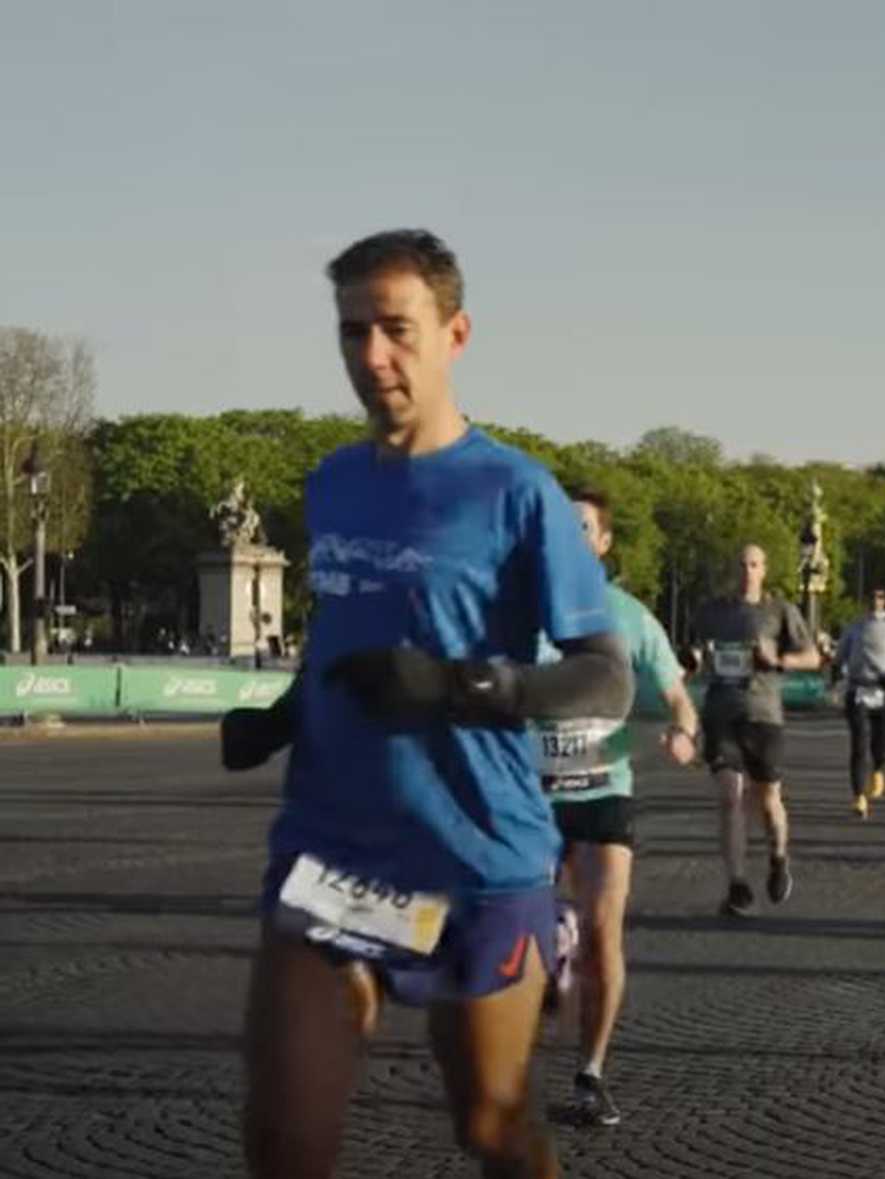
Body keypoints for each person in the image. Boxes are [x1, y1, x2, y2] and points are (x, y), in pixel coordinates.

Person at [221, 229, 633, 1179]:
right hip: (335, 855)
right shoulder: (332, 483)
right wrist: (281, 717)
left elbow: (603, 675)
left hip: (479, 861)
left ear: (455, 333)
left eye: (396, 330)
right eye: (351, 332)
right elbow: (343, 630)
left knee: (493, 1124)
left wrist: (462, 687)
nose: (372, 357)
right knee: (284, 1141)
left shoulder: (517, 490)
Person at [533, 487, 700, 1128]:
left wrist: (684, 731)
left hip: (604, 794)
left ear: (603, 543)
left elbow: (677, 695)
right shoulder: (522, 616)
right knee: (516, 936)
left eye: (583, 528)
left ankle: (590, 1075)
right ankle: (551, 944)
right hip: (530, 799)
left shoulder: (631, 618)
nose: (570, 539)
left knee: (606, 936)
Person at [692, 545, 820, 917]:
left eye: (754, 564)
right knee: (730, 797)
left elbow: (812, 657)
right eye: (741, 564)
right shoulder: (712, 612)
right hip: (720, 712)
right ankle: (737, 886)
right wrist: (696, 659)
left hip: (763, 713)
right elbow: (697, 651)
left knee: (767, 799)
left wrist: (778, 659)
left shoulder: (780, 611)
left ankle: (778, 858)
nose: (747, 570)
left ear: (764, 570)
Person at [839, 587, 885, 818]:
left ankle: (879, 768)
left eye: (879, 597)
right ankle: (859, 796)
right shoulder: (854, 627)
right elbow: (841, 656)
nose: (875, 600)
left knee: (880, 739)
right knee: (859, 744)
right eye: (871, 596)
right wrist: (840, 672)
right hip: (859, 688)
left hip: (883, 690)